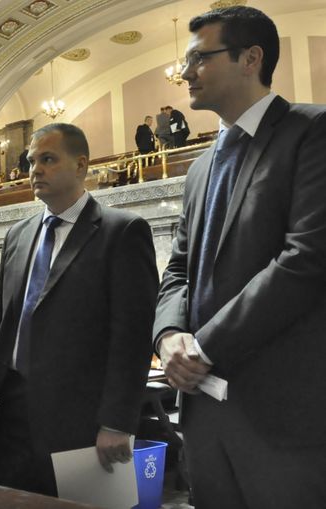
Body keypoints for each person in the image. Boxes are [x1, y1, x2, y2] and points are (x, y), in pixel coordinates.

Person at [153, 6, 326, 508]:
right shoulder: (200, 167)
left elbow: (306, 259)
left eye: (199, 59)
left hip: (282, 415)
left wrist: (203, 348)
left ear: (251, 58)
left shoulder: (310, 131)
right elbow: (179, 267)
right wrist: (168, 337)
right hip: (205, 419)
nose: (185, 73)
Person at [0, 123, 157, 497]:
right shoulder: (17, 234)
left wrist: (118, 422)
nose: (35, 170)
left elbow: (132, 338)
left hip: (81, 419)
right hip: (6, 410)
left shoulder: (122, 231)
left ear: (81, 165)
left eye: (48, 159)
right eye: (31, 161)